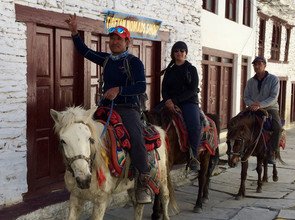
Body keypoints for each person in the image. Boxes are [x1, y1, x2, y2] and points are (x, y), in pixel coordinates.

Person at [65, 14, 152, 204]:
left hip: (128, 108)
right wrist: (74, 33)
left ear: (127, 41)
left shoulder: (134, 62)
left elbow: (141, 87)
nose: (114, 42)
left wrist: (119, 90)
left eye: (118, 39)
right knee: (84, 132)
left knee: (136, 138)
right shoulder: (107, 60)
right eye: (111, 39)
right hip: (105, 107)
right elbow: (85, 51)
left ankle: (144, 180)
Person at [159, 41, 201, 171]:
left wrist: (175, 101)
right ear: (173, 54)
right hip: (169, 101)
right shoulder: (169, 71)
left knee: (194, 125)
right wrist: (167, 100)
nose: (179, 53)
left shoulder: (191, 70)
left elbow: (193, 89)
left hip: (188, 102)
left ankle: (194, 155)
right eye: (176, 51)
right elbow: (164, 89)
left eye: (182, 51)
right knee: (151, 117)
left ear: (186, 53)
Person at [243, 56, 282, 164]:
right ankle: (238, 149)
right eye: (255, 64)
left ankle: (272, 152)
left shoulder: (273, 79)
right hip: (253, 108)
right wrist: (252, 105)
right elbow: (246, 97)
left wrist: (260, 105)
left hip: (270, 108)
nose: (257, 66)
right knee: (237, 122)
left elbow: (273, 97)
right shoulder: (250, 81)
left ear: (265, 65)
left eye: (259, 64)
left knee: (277, 127)